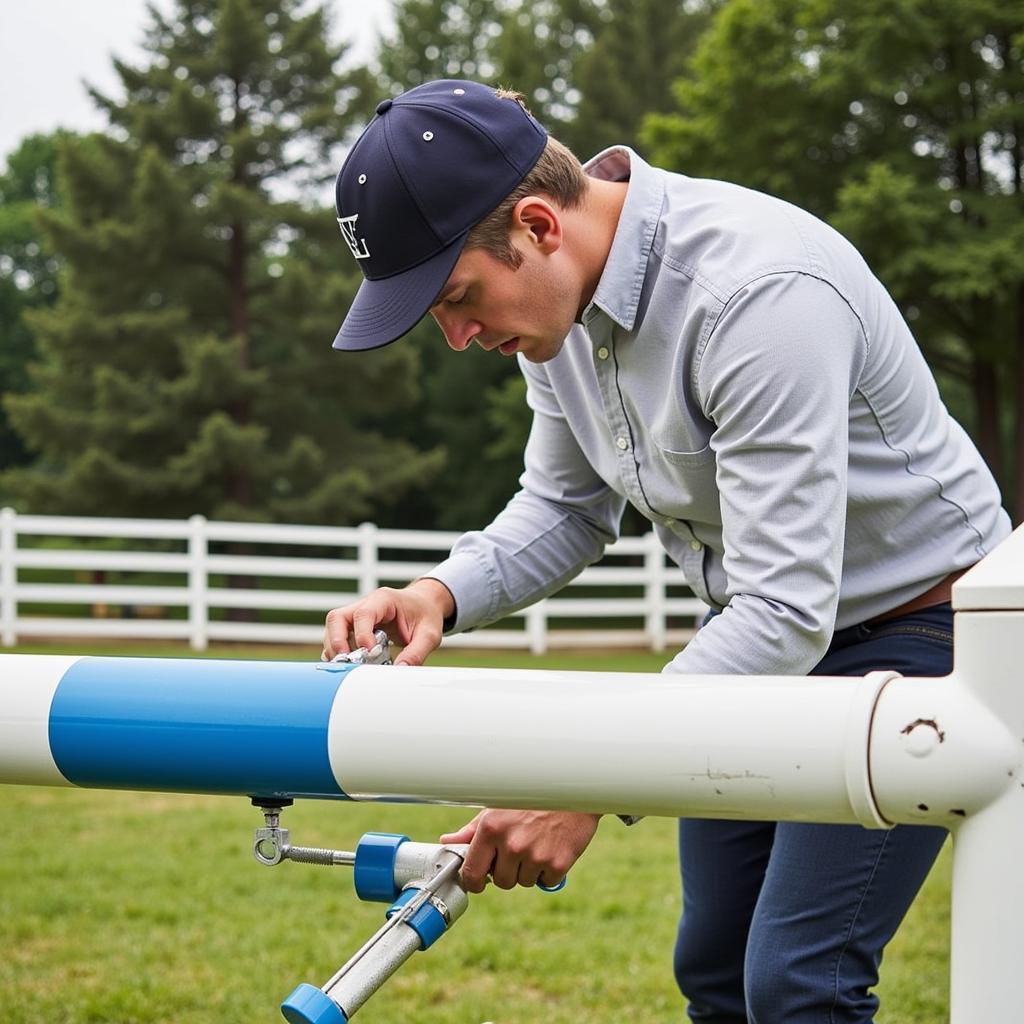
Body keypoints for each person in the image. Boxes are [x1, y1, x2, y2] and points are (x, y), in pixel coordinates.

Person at [321, 79, 1011, 1023]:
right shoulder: (553, 322)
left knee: (799, 981)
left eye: (457, 297)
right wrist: (441, 592)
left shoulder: (759, 295)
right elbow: (566, 507)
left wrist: (590, 780)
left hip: (921, 631)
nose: (457, 336)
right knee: (716, 971)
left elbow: (787, 605)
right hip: (766, 636)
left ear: (537, 225)